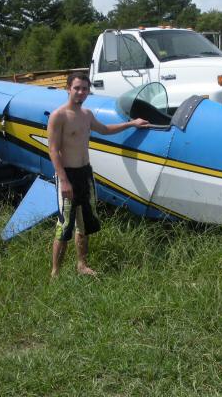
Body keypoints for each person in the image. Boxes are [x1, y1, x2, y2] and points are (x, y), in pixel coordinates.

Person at [48, 72, 148, 277]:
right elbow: (53, 150)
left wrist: (131, 123)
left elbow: (105, 129)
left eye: (84, 88)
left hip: (85, 174)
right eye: (76, 88)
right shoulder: (58, 116)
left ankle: (81, 265)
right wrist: (64, 181)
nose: (81, 92)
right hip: (67, 175)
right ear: (68, 88)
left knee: (84, 222)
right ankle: (55, 272)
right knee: (64, 224)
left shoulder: (87, 115)